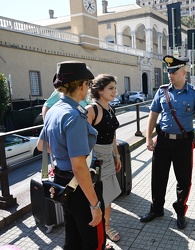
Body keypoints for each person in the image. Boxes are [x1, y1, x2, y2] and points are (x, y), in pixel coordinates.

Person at [37, 61, 107, 249]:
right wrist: (94, 205)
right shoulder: (74, 115)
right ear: (82, 85)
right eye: (88, 84)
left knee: (73, 235)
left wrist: (62, 152)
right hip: (80, 187)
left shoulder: (54, 111)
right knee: (93, 240)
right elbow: (79, 166)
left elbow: (41, 145)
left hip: (62, 181)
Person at [140, 55, 195, 230]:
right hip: (162, 141)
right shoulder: (162, 91)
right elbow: (153, 114)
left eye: (174, 71)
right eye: (168, 71)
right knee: (158, 177)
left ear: (183, 72)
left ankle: (180, 211)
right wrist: (148, 137)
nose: (170, 74)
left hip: (183, 143)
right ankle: (156, 209)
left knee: (183, 179)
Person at [85, 74, 122, 243]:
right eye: (111, 88)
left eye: (115, 87)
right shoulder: (92, 109)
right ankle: (98, 227)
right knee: (96, 195)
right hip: (95, 158)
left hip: (108, 155)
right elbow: (82, 138)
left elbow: (113, 135)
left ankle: (106, 226)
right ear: (99, 90)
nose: (115, 91)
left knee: (108, 194)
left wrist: (117, 155)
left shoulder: (110, 108)